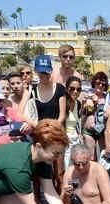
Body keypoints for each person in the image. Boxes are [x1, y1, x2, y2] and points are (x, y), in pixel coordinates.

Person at [33, 55, 67, 190]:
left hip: (56, 134)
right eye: (41, 72)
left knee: (59, 173)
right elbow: (24, 114)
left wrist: (51, 129)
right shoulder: (31, 90)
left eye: (46, 72)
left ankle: (62, 199)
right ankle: (37, 201)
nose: (44, 75)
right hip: (39, 136)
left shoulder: (59, 89)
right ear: (36, 70)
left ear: (51, 71)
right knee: (37, 173)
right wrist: (41, 128)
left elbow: (62, 115)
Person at [81, 71, 109, 158]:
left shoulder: (108, 97)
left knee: (104, 157)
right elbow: (82, 112)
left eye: (103, 84)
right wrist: (88, 103)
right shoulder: (87, 94)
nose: (100, 86)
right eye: (97, 83)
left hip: (103, 132)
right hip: (89, 131)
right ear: (94, 83)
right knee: (91, 158)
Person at [62, 76, 84, 170]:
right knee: (66, 169)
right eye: (72, 88)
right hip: (65, 140)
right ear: (67, 89)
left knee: (76, 169)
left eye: (78, 89)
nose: (75, 91)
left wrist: (79, 134)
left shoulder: (78, 104)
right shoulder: (62, 102)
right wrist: (64, 137)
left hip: (75, 140)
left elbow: (77, 123)